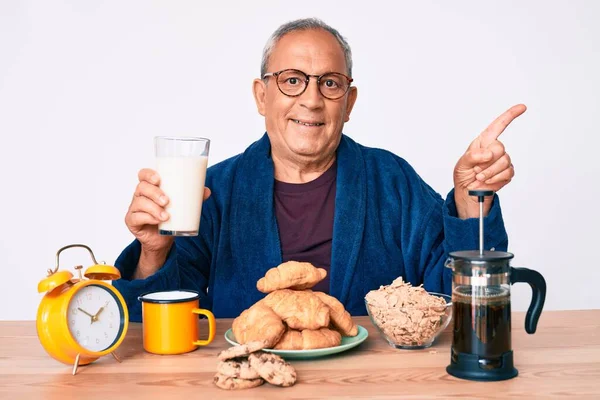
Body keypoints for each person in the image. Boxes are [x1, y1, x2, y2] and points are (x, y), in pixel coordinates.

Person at [113, 18, 522, 322]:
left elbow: (457, 302)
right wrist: (154, 252)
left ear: (349, 102)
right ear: (262, 96)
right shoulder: (213, 192)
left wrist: (472, 203)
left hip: (369, 384)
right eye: (292, 80)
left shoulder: (391, 180)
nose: (311, 99)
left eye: (329, 83)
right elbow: (149, 327)